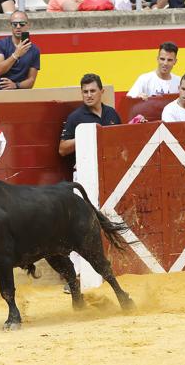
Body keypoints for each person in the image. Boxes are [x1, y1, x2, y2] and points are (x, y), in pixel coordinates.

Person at [59, 73, 120, 292]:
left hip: (109, 175)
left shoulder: (112, 114)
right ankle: (74, 275)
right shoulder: (76, 117)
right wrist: (86, 136)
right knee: (80, 226)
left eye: (93, 91)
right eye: (85, 91)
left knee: (109, 219)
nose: (88, 95)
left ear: (101, 92)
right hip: (83, 177)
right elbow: (63, 148)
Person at [0, 11, 40, 91]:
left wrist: (16, 85)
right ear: (10, 26)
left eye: (22, 24)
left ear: (28, 25)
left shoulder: (34, 50)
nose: (18, 27)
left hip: (15, 93)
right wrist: (16, 55)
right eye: (14, 24)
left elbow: (31, 81)